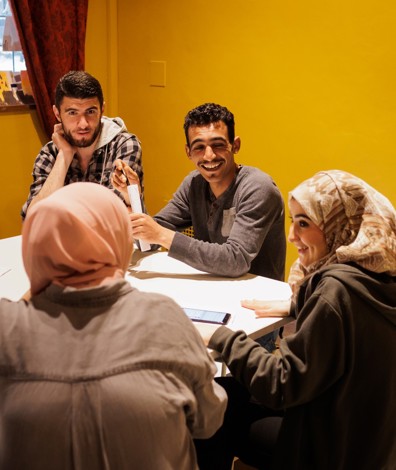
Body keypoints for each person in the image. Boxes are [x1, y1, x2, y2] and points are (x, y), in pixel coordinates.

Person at [1, 182, 227, 470]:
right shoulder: (163, 317)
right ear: (118, 237)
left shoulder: (7, 327)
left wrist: (44, 276)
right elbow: (208, 421)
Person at [193, 169, 396, 470]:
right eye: (292, 222)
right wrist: (298, 303)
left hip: (327, 450)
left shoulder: (334, 292)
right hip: (370, 442)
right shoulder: (378, 275)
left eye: (304, 223)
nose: (291, 236)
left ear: (338, 225)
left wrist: (221, 337)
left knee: (210, 401)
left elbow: (281, 385)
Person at [113, 102, 286, 352]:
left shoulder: (258, 188)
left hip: (255, 312)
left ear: (235, 145)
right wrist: (132, 199)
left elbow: (234, 260)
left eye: (218, 145)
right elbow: (150, 238)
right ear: (188, 151)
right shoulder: (194, 184)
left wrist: (160, 234)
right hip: (210, 294)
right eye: (199, 147)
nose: (209, 156)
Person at [21, 70, 143, 219]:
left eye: (90, 111)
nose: (83, 124)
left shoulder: (124, 145)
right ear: (57, 113)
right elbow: (34, 218)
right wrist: (64, 156)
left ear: (102, 109)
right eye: (73, 113)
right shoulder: (50, 153)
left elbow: (115, 216)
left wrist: (59, 214)